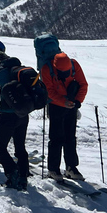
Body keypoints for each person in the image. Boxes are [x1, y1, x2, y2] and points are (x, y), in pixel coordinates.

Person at [0, 51, 30, 190]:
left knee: (0, 146)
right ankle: (23, 176)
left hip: (7, 115)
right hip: (23, 115)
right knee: (20, 146)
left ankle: (12, 173)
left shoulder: (2, 71)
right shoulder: (21, 70)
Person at [40, 51, 88, 181]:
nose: (66, 75)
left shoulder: (74, 65)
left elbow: (83, 84)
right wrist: (63, 102)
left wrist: (78, 101)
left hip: (71, 104)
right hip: (56, 106)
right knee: (56, 138)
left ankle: (71, 167)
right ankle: (53, 169)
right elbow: (48, 91)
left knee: (70, 137)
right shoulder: (46, 69)